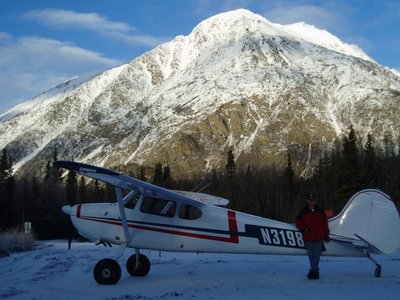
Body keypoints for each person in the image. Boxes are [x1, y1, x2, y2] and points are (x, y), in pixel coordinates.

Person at [296, 193, 329, 280]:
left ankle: (313, 272)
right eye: (310, 200)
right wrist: (304, 228)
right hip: (308, 237)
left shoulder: (320, 211)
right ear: (307, 201)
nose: (311, 201)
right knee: (311, 256)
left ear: (315, 200)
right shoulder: (303, 211)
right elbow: (298, 223)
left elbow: (325, 224)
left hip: (319, 236)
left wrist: (326, 234)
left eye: (313, 200)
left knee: (316, 255)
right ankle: (315, 272)